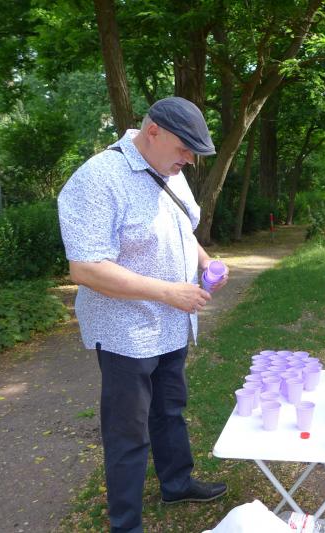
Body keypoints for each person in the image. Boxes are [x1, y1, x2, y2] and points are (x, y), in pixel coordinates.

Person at [58, 96, 229, 533]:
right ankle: (126, 524)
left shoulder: (171, 171)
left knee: (169, 410)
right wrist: (168, 292)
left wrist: (206, 261)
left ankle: (177, 483)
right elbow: (86, 268)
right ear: (153, 132)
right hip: (126, 333)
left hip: (172, 324)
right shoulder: (98, 178)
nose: (189, 160)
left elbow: (184, 230)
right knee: (128, 432)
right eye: (185, 148)